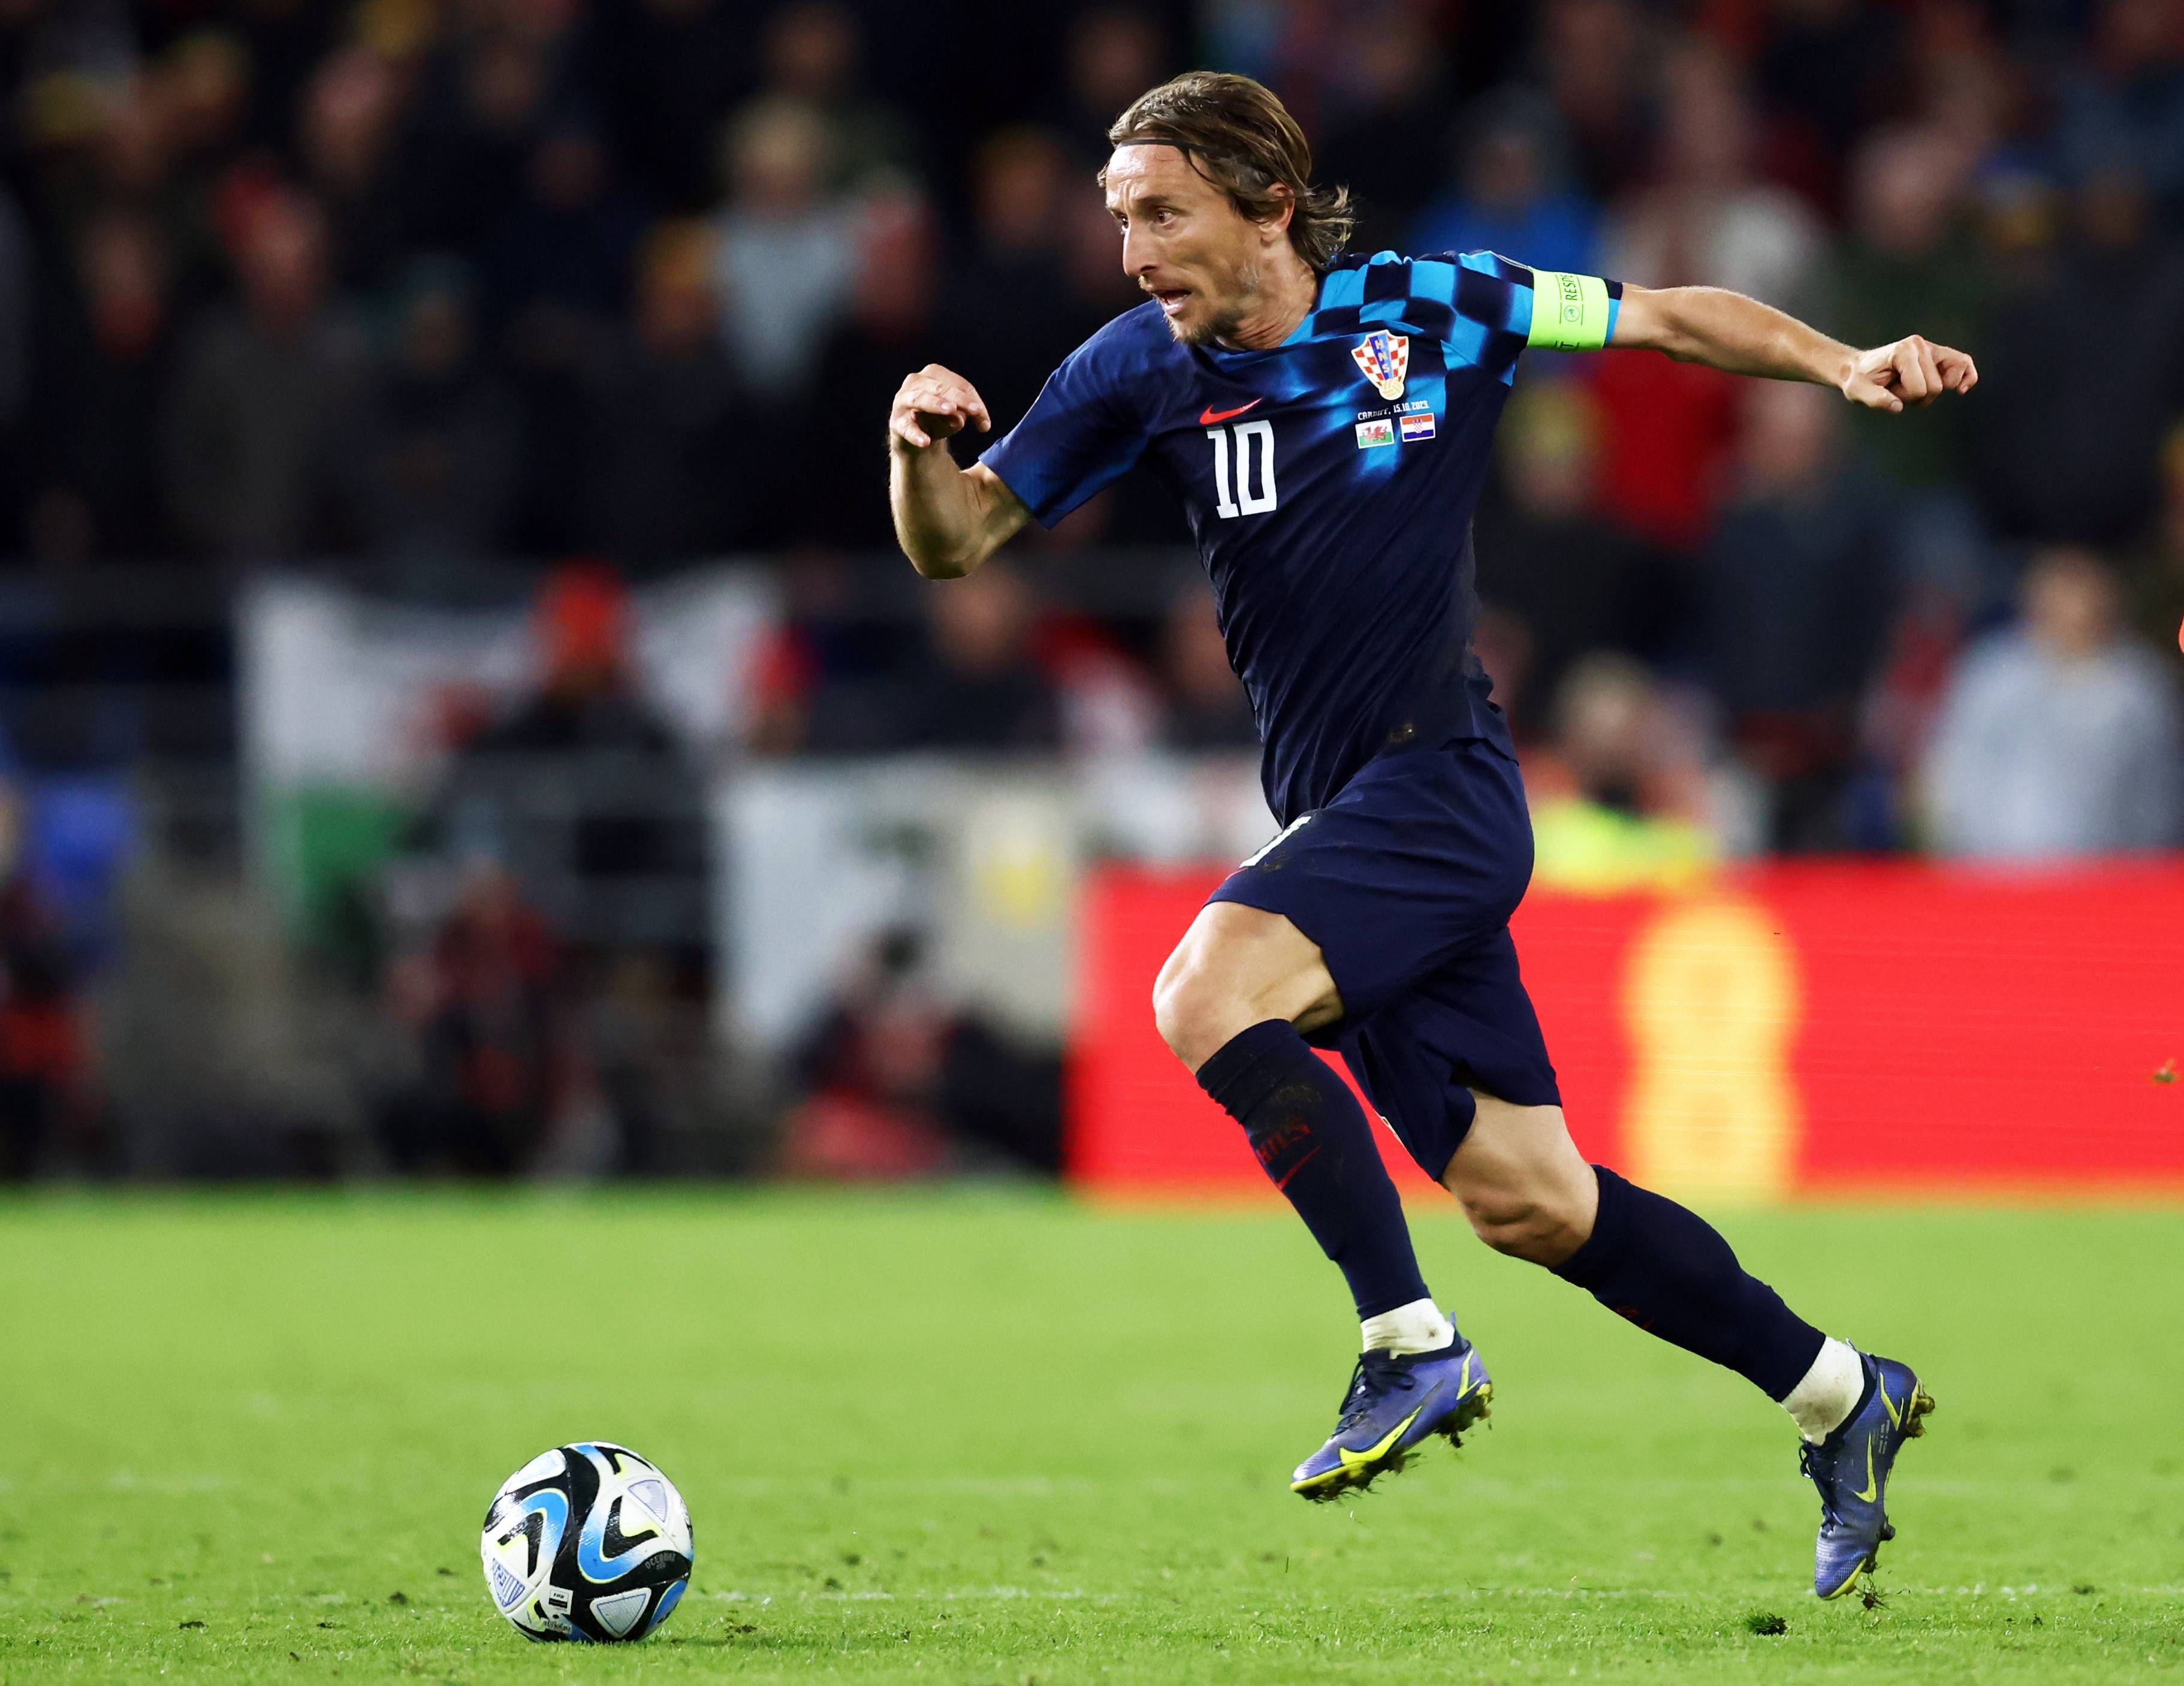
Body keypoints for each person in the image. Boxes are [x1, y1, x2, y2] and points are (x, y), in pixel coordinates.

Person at [885, 71, 1975, 1603]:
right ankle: (1838, 1395)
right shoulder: (1138, 367)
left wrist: (1841, 361)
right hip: (1346, 813)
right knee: (1533, 1199)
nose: (1129, 251)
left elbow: (1665, 318)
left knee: (1204, 993)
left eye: (1160, 213)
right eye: (1118, 217)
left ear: (1266, 199)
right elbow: (959, 542)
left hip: (1440, 786)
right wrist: (913, 448)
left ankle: (1407, 1342)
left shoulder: (1440, 305)